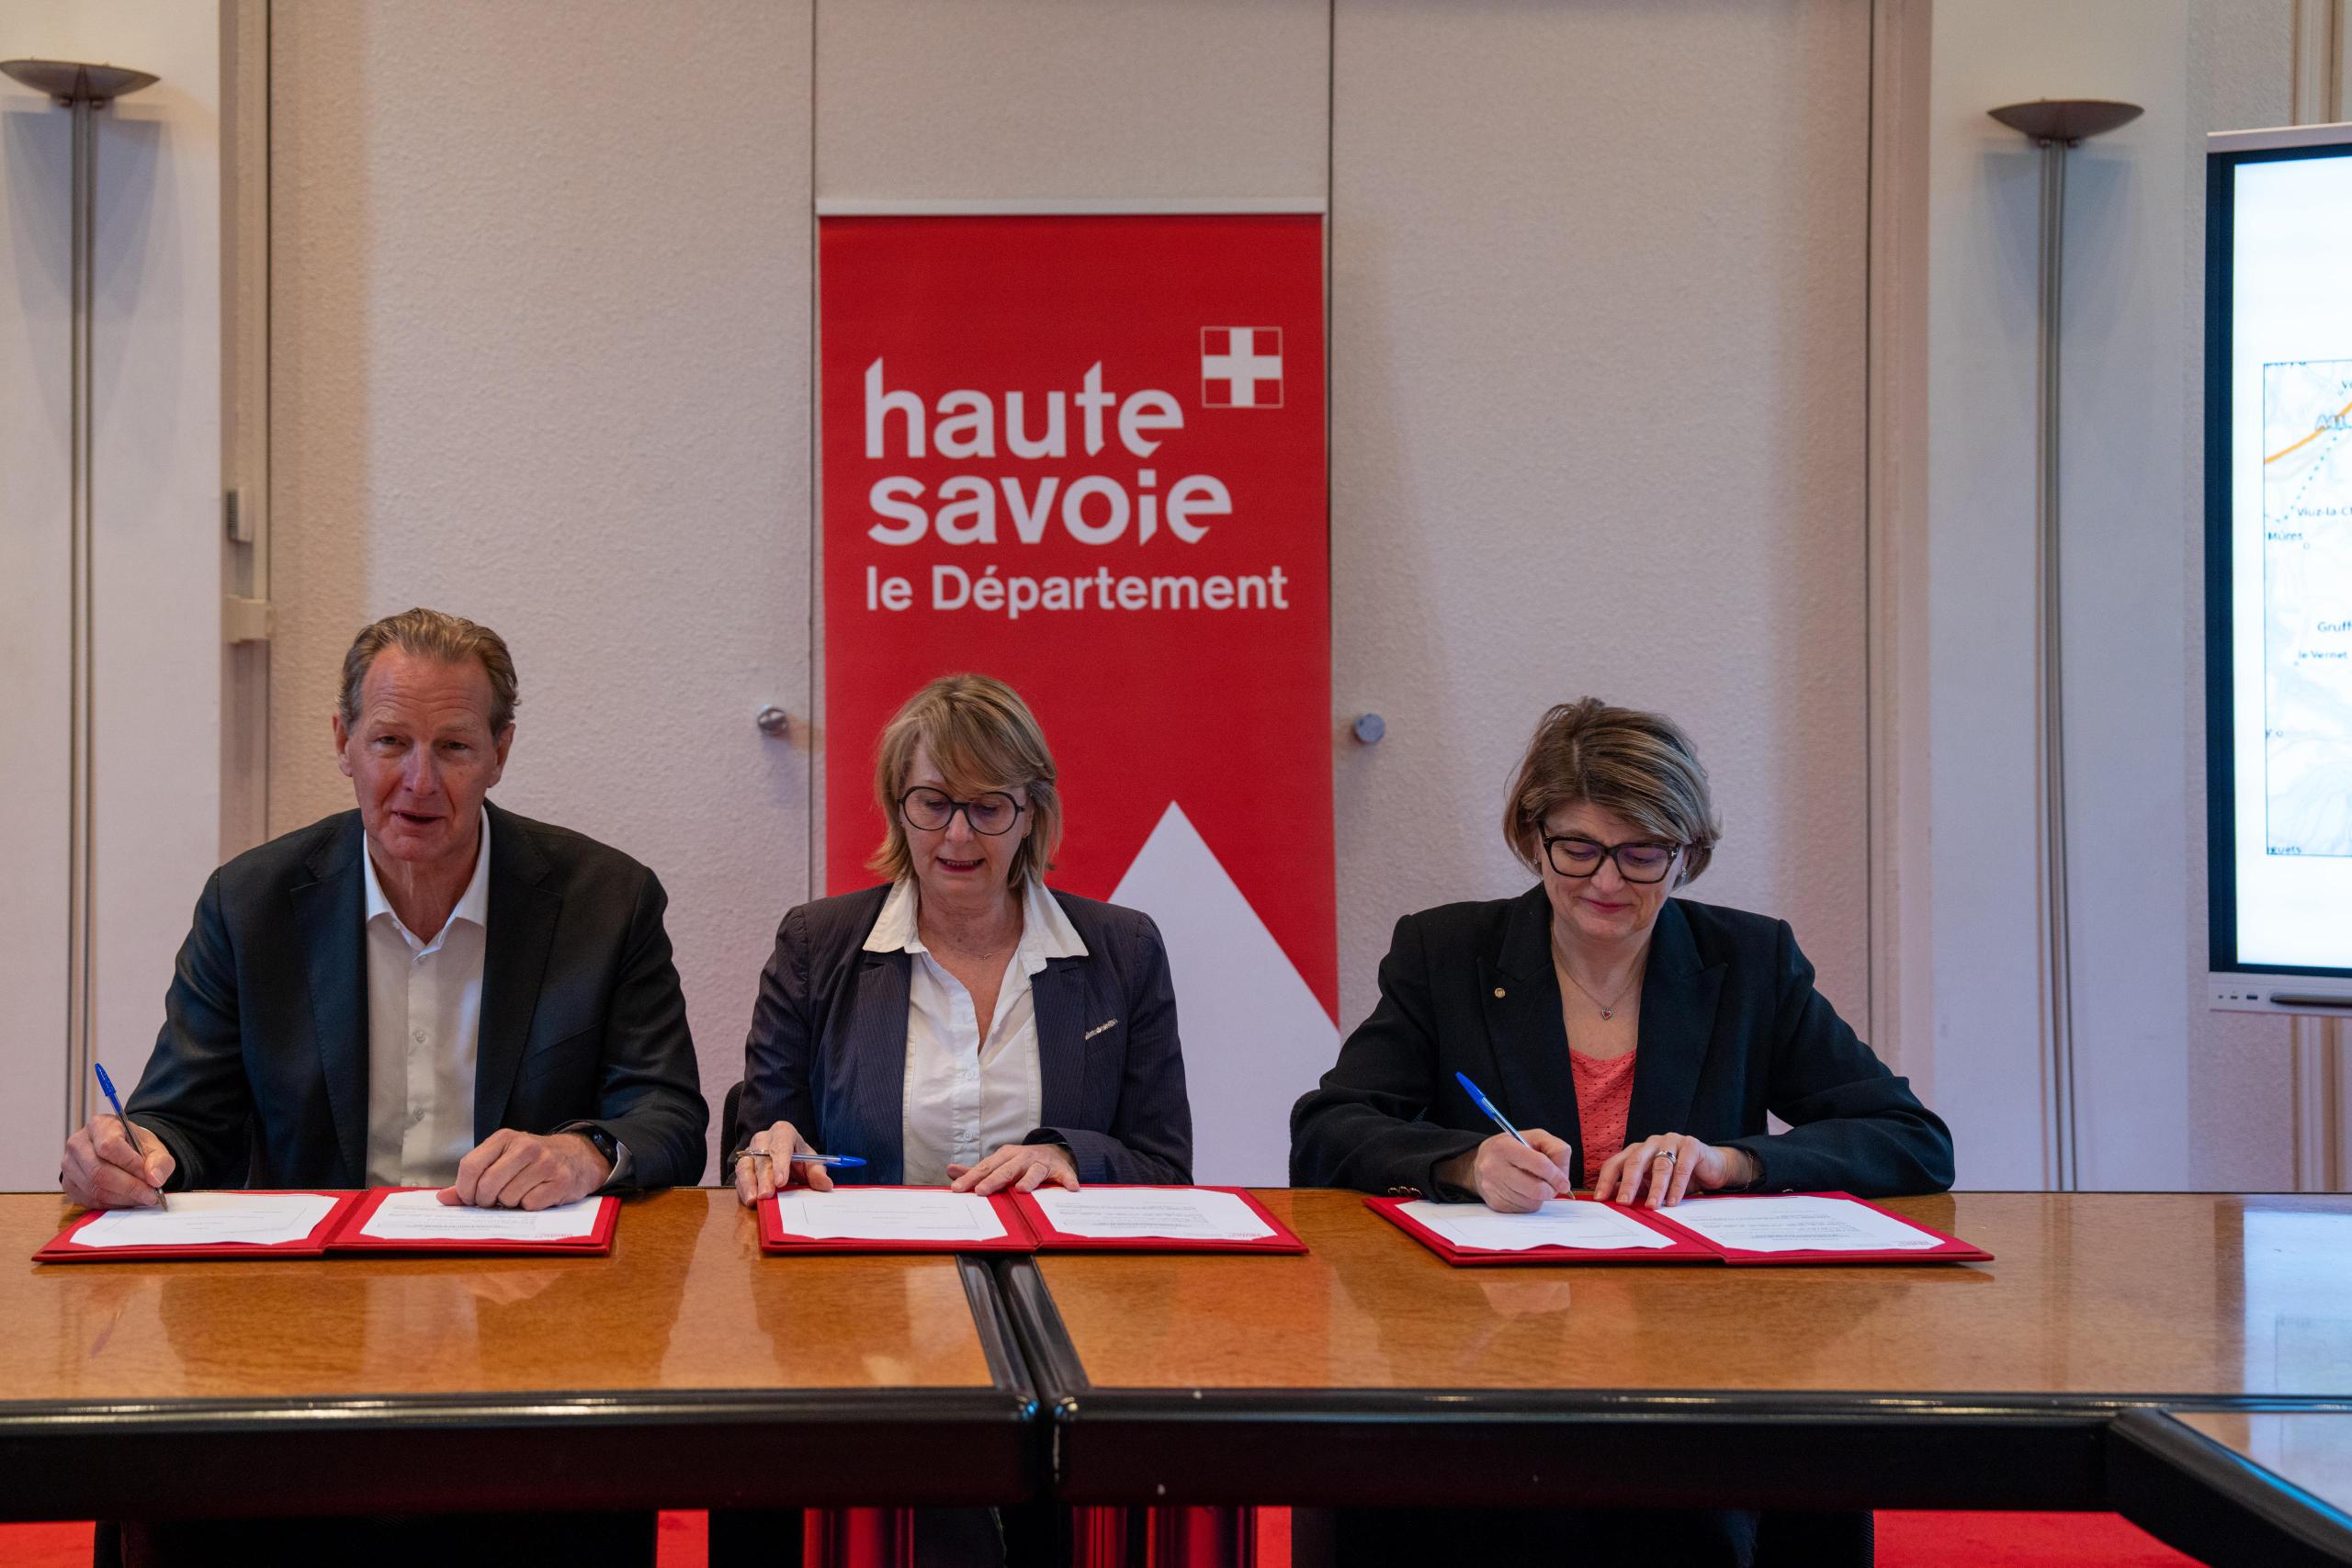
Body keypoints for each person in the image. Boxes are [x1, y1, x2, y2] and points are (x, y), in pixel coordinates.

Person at [1289, 697, 1951, 1568]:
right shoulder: (1445, 952)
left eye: (1642, 854)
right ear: (1533, 837)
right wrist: (1465, 1161)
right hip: (1490, 1349)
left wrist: (1734, 1161)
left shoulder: (1750, 962)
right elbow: (1327, 1128)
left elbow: (1910, 1137)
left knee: (1706, 1518)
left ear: (1687, 853)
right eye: (1579, 848)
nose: (1606, 881)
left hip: (1693, 1359)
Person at [59, 606, 709, 1213]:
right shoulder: (250, 906)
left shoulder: (608, 901)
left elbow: (668, 1118)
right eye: (391, 741)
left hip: (525, 1266)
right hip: (317, 1275)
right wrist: (129, 1154)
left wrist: (584, 1153)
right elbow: (183, 1121)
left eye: (454, 747)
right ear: (345, 742)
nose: (419, 782)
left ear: (500, 754)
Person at [733, 671, 1190, 1201]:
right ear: (898, 808)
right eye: (933, 803)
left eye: (987, 807)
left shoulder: (1125, 949)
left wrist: (1068, 1157)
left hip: (1057, 1253)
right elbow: (755, 1153)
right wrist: (771, 1153)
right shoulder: (815, 944)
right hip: (869, 1253)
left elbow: (1166, 1168)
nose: (957, 834)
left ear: (1030, 815)